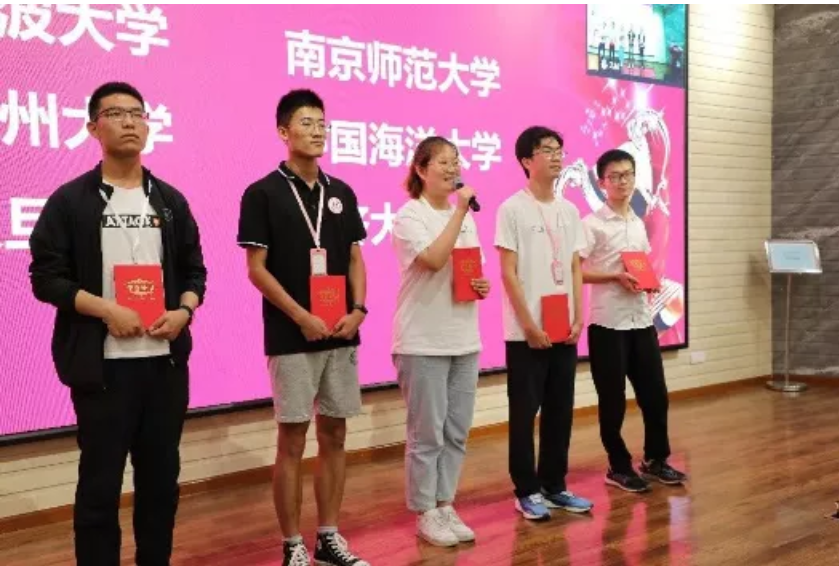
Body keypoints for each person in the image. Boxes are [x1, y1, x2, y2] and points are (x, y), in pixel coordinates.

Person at [28, 81, 207, 565]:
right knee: (99, 488)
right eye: (116, 113)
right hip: (102, 369)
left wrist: (184, 311)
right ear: (93, 128)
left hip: (164, 367)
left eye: (137, 113)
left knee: (160, 485)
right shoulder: (71, 202)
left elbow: (195, 271)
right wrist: (106, 309)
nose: (129, 122)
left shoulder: (169, 201)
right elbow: (45, 278)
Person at [237, 88, 370, 566]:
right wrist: (301, 316)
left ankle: (328, 537)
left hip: (341, 330)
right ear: (283, 131)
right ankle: (292, 543)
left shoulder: (342, 192)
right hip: (293, 335)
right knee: (292, 440)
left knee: (335, 436)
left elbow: (354, 257)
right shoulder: (262, 193)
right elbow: (256, 270)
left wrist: (359, 308)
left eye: (322, 123)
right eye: (306, 123)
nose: (317, 131)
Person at [390, 137, 490, 547]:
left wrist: (480, 284)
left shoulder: (464, 218)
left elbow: (468, 268)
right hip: (422, 341)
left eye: (456, 161)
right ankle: (425, 511)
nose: (453, 169)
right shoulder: (409, 216)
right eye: (444, 162)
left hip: (464, 338)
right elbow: (433, 260)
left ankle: (445, 503)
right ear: (421, 169)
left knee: (456, 431)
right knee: (426, 433)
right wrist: (460, 211)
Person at [495, 126, 594, 521]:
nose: (556, 156)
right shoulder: (511, 209)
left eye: (559, 150)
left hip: (563, 328)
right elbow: (508, 272)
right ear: (526, 160)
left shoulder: (569, 210)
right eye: (547, 150)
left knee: (560, 411)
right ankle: (526, 490)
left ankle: (555, 485)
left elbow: (574, 266)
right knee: (524, 415)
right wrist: (529, 325)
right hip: (526, 333)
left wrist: (579, 315)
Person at [579, 148, 687, 493]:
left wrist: (648, 282)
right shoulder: (591, 224)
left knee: (656, 396)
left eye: (627, 174)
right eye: (614, 176)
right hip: (608, 324)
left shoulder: (638, 222)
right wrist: (614, 277)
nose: (622, 181)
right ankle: (618, 465)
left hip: (641, 320)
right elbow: (575, 271)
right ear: (602, 182)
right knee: (612, 402)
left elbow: (639, 266)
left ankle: (655, 459)